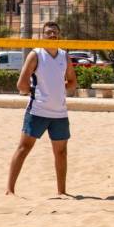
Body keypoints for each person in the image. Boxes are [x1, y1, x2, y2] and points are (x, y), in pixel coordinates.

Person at [6, 21, 77, 196]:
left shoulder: (64, 56)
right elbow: (21, 84)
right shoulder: (35, 55)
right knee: (24, 148)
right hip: (37, 110)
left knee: (61, 152)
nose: (52, 35)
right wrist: (34, 91)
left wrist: (59, 89)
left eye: (55, 33)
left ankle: (62, 192)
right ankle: (10, 189)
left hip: (59, 113)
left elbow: (73, 82)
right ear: (42, 36)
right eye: (49, 33)